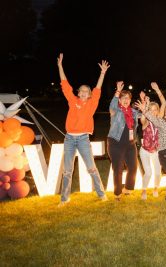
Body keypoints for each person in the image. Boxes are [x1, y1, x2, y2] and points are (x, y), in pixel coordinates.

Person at [57, 53, 110, 206]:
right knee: (67, 170)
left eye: (86, 91)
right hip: (69, 139)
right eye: (81, 90)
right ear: (78, 93)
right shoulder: (73, 101)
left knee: (91, 168)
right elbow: (65, 84)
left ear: (90, 94)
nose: (83, 92)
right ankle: (64, 199)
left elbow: (98, 88)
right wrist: (60, 66)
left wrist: (102, 73)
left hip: (83, 139)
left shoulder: (92, 104)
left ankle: (101, 194)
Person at [107, 81, 141, 201]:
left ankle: (127, 188)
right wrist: (117, 92)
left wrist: (145, 103)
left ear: (130, 100)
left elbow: (145, 115)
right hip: (116, 143)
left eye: (128, 98)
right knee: (118, 169)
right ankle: (117, 193)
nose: (126, 100)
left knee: (133, 167)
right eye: (123, 98)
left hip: (130, 144)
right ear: (120, 100)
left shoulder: (133, 112)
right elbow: (111, 106)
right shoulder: (116, 111)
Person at [139, 82, 166, 200]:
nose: (154, 112)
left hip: (156, 151)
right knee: (148, 172)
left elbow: (164, 103)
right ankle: (144, 190)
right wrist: (144, 107)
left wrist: (157, 89)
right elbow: (143, 119)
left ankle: (155, 188)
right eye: (152, 110)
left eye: (156, 110)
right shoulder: (145, 122)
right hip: (145, 150)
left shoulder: (159, 120)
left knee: (158, 172)